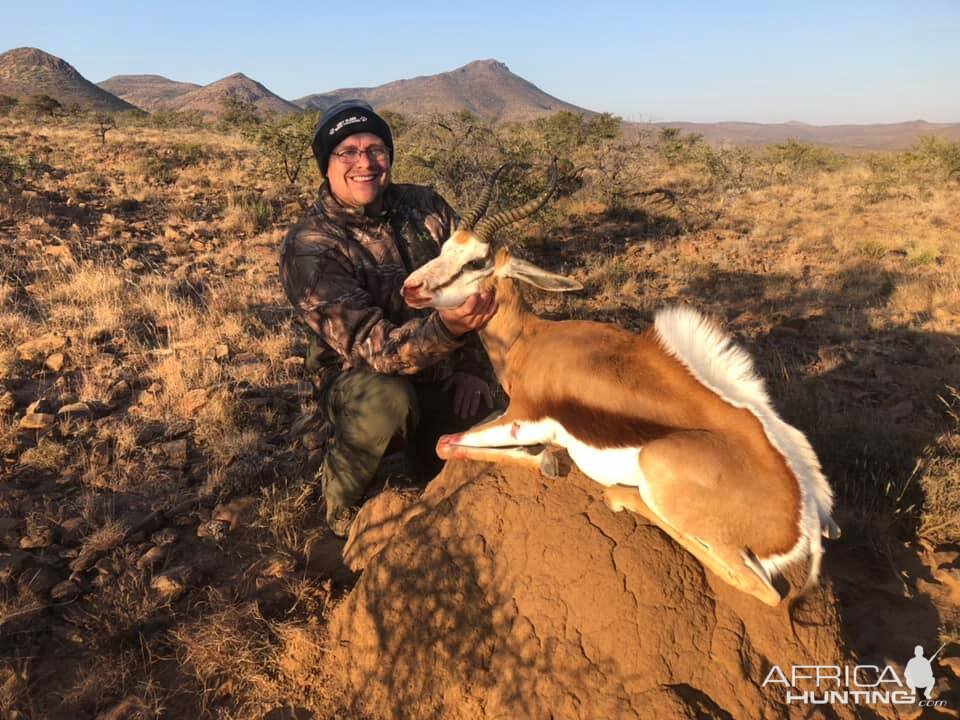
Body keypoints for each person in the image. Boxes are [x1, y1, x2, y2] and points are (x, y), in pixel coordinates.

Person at [280, 100, 497, 537]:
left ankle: (425, 459)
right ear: (327, 164)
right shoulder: (309, 244)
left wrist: (474, 370)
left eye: (376, 148)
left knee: (494, 414)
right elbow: (370, 347)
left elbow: (478, 278)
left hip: (443, 364)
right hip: (357, 376)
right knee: (388, 402)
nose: (365, 162)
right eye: (348, 152)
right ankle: (341, 505)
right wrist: (449, 328)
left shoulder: (427, 205)